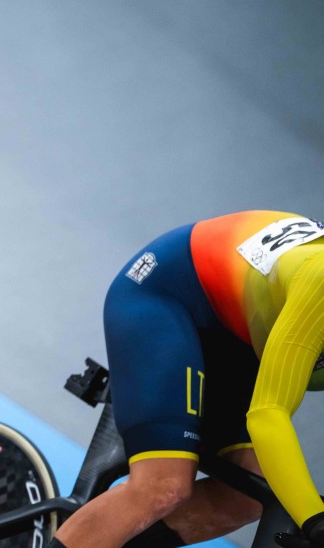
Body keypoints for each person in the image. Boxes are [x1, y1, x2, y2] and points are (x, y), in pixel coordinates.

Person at [48, 210, 324, 548]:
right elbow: (268, 415)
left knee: (247, 495)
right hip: (169, 291)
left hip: (239, 330)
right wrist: (315, 519)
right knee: (162, 486)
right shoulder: (319, 283)